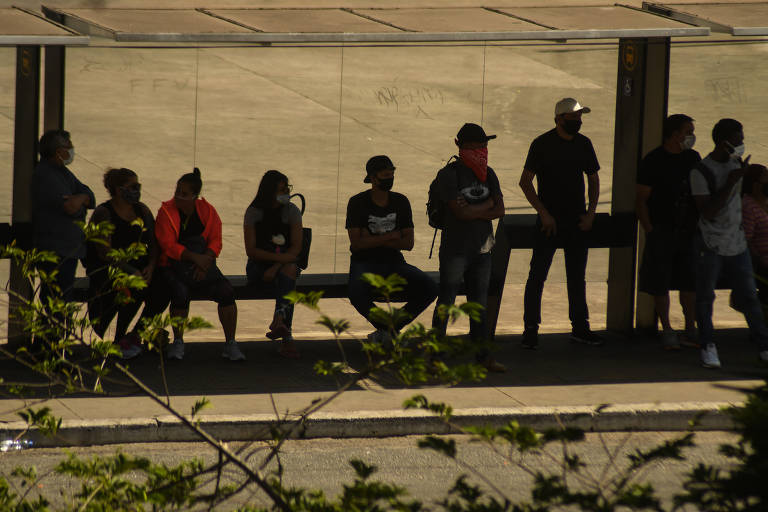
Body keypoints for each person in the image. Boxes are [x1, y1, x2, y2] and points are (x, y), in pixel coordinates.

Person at [519, 98, 601, 349]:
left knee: (577, 277)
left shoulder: (584, 144)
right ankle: (530, 329)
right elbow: (525, 181)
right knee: (537, 276)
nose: (578, 121)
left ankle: (580, 327)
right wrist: (543, 213)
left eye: (579, 117)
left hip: (576, 220)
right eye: (573, 117)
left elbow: (594, 180)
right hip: (549, 222)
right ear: (559, 119)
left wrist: (590, 213)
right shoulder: (542, 144)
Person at [691, 118, 768, 368]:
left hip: (737, 244)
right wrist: (732, 181)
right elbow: (708, 212)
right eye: (737, 139)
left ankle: (764, 345)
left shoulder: (736, 164)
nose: (742, 143)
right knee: (705, 298)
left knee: (749, 297)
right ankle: (708, 346)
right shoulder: (701, 172)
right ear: (723, 142)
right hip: (711, 244)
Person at [431, 125, 506, 373]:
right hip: (455, 250)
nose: (479, 151)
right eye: (473, 147)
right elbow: (459, 212)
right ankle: (435, 358)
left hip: (483, 250)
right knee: (447, 302)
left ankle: (483, 356)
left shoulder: (490, 174)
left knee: (479, 305)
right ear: (459, 146)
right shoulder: (448, 175)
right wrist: (485, 207)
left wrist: (473, 210)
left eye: (482, 146)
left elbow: (500, 211)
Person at [346, 155, 438, 342]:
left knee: (430, 287)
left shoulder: (400, 202)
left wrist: (371, 239)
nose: (389, 179)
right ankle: (388, 329)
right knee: (355, 292)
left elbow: (408, 243)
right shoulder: (357, 203)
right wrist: (391, 236)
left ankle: (389, 328)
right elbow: (356, 244)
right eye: (385, 175)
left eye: (391, 175)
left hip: (394, 261)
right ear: (372, 178)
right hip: (364, 262)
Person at [154, 168, 243, 361]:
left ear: (195, 196)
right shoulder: (166, 212)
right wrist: (196, 259)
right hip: (173, 265)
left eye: (184, 194)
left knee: (226, 291)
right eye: (177, 191)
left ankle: (230, 343)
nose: (178, 196)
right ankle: (178, 342)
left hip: (204, 265)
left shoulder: (208, 211)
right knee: (180, 292)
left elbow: (216, 241)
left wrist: (204, 263)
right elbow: (167, 245)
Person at [636, 114, 701, 350]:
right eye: (688, 131)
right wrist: (650, 230)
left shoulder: (693, 158)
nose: (691, 136)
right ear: (675, 134)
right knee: (660, 282)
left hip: (688, 231)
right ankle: (667, 328)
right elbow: (641, 200)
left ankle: (690, 328)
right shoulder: (653, 161)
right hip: (662, 230)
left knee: (689, 282)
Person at [86, 168, 159, 359]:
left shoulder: (142, 210)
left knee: (165, 286)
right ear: (118, 190)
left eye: (138, 186)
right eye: (132, 186)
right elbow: (104, 252)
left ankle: (135, 334)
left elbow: (153, 243)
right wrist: (130, 270)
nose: (137, 190)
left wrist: (151, 267)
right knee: (135, 287)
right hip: (108, 269)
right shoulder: (104, 213)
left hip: (137, 266)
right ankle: (119, 339)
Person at [244, 170, 303, 359]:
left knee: (290, 271)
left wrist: (275, 266)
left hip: (280, 266)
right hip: (257, 266)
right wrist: (275, 264)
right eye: (282, 189)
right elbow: (252, 251)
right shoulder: (254, 212)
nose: (286, 192)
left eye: (287, 188)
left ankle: (280, 323)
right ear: (269, 192)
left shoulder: (292, 211)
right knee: (289, 274)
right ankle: (286, 334)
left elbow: (296, 249)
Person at [31, 129, 95, 303]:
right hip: (56, 250)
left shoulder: (62, 172)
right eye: (69, 146)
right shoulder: (46, 174)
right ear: (58, 151)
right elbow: (71, 207)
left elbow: (89, 195)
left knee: (63, 294)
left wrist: (81, 198)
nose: (72, 149)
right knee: (55, 297)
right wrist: (81, 201)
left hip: (69, 249)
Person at [741, 164, 768, 306]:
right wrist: (760, 260)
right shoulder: (748, 206)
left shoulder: (765, 203)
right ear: (755, 184)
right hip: (762, 263)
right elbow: (747, 239)